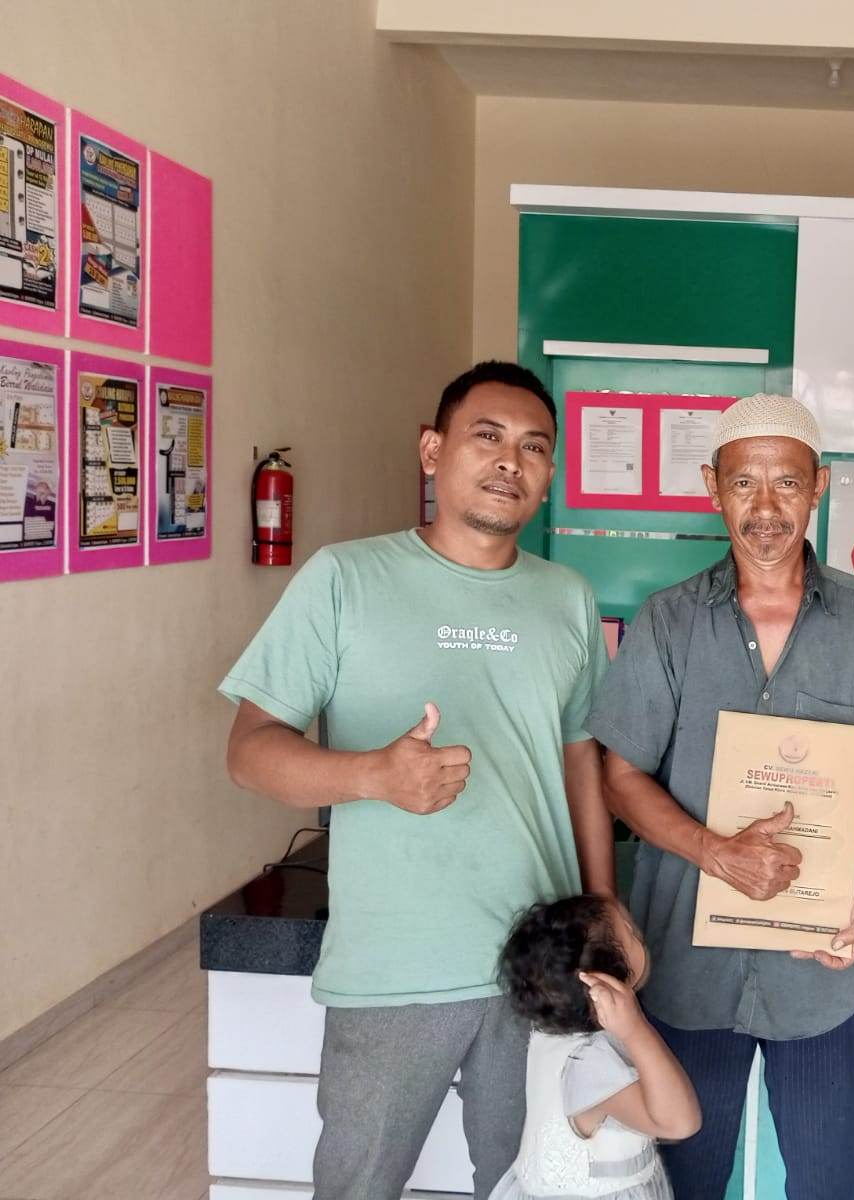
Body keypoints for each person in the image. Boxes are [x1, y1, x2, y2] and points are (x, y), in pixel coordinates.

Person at [221, 361, 615, 1200]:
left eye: (534, 446)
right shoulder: (344, 578)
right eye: (488, 436)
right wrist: (373, 774)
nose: (510, 460)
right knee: (358, 1185)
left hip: (540, 960)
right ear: (432, 451)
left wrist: (604, 913)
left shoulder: (569, 598)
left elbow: (581, 756)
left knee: (533, 1184)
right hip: (395, 963)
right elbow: (249, 752)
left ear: (549, 473)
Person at [586, 393, 854, 1200]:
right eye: (744, 483)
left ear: (820, 486)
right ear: (712, 487)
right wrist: (714, 852)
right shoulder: (669, 622)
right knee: (680, 1185)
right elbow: (619, 777)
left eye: (787, 483)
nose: (766, 509)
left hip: (825, 974)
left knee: (830, 1188)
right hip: (688, 969)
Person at [491, 894, 701, 1200]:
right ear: (604, 986)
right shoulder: (590, 1063)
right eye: (630, 933)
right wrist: (636, 1028)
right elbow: (680, 1123)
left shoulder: (551, 1029)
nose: (639, 933)